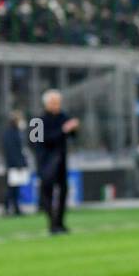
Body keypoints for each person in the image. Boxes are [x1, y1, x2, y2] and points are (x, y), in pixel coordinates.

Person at [35, 90, 80, 235]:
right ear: (46, 104)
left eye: (58, 103)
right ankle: (52, 223)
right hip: (45, 161)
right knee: (47, 192)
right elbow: (38, 141)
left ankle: (60, 222)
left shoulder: (63, 116)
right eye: (53, 103)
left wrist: (73, 129)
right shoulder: (37, 120)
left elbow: (73, 136)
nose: (56, 106)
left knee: (63, 191)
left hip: (61, 160)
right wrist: (64, 130)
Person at [2, 110, 28, 216]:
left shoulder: (17, 132)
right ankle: (7, 208)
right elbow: (12, 150)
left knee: (16, 188)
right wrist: (18, 164)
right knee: (11, 188)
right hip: (13, 165)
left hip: (16, 164)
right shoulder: (9, 133)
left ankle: (16, 208)